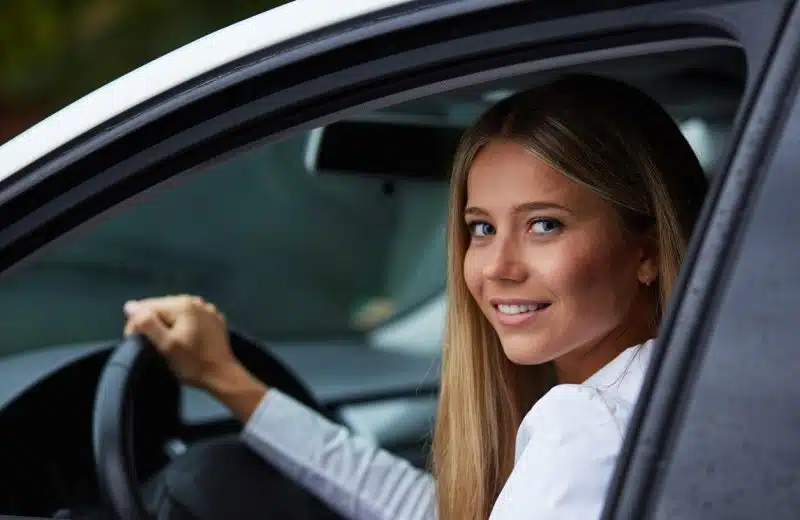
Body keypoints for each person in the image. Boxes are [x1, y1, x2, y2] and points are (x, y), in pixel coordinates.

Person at [122, 73, 708, 520]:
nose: (498, 267)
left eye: (544, 225)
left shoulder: (586, 425)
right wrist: (232, 384)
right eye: (481, 228)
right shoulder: (667, 397)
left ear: (648, 252)